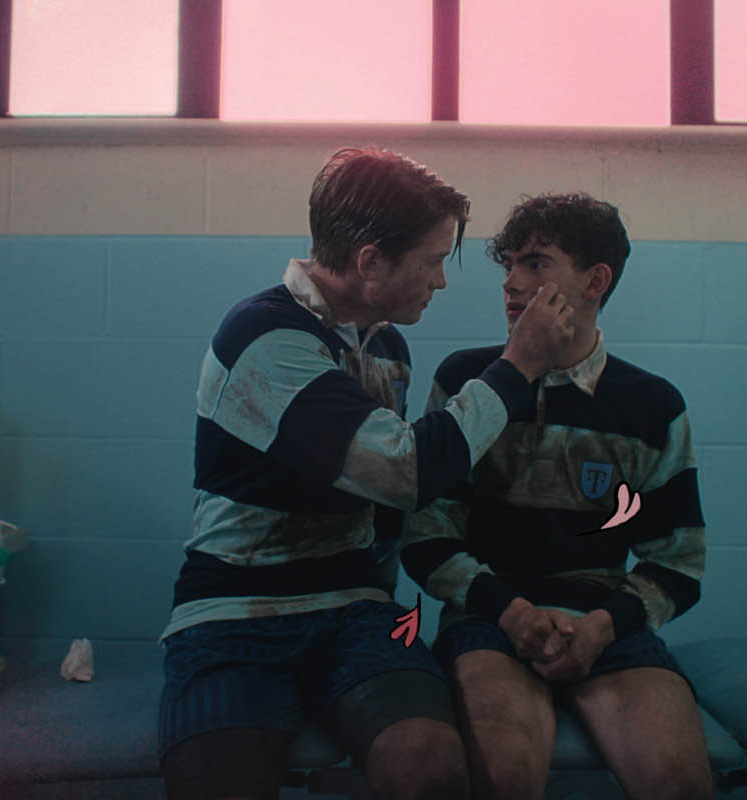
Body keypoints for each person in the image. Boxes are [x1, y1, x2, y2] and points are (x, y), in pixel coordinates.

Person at [157, 147, 577, 800]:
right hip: (235, 612)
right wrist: (519, 365)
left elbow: (383, 508)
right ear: (371, 261)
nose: (441, 282)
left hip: (355, 607)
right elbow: (406, 473)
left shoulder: (385, 346)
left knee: (431, 766)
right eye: (433, 261)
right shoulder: (264, 338)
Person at [401, 193, 712, 800]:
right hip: (490, 621)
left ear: (595, 281)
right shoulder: (466, 383)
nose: (511, 283)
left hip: (604, 625)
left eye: (536, 264)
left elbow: (679, 561)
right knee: (503, 776)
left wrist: (604, 625)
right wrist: (511, 612)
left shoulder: (652, 405)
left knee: (679, 784)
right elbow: (426, 534)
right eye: (508, 265)